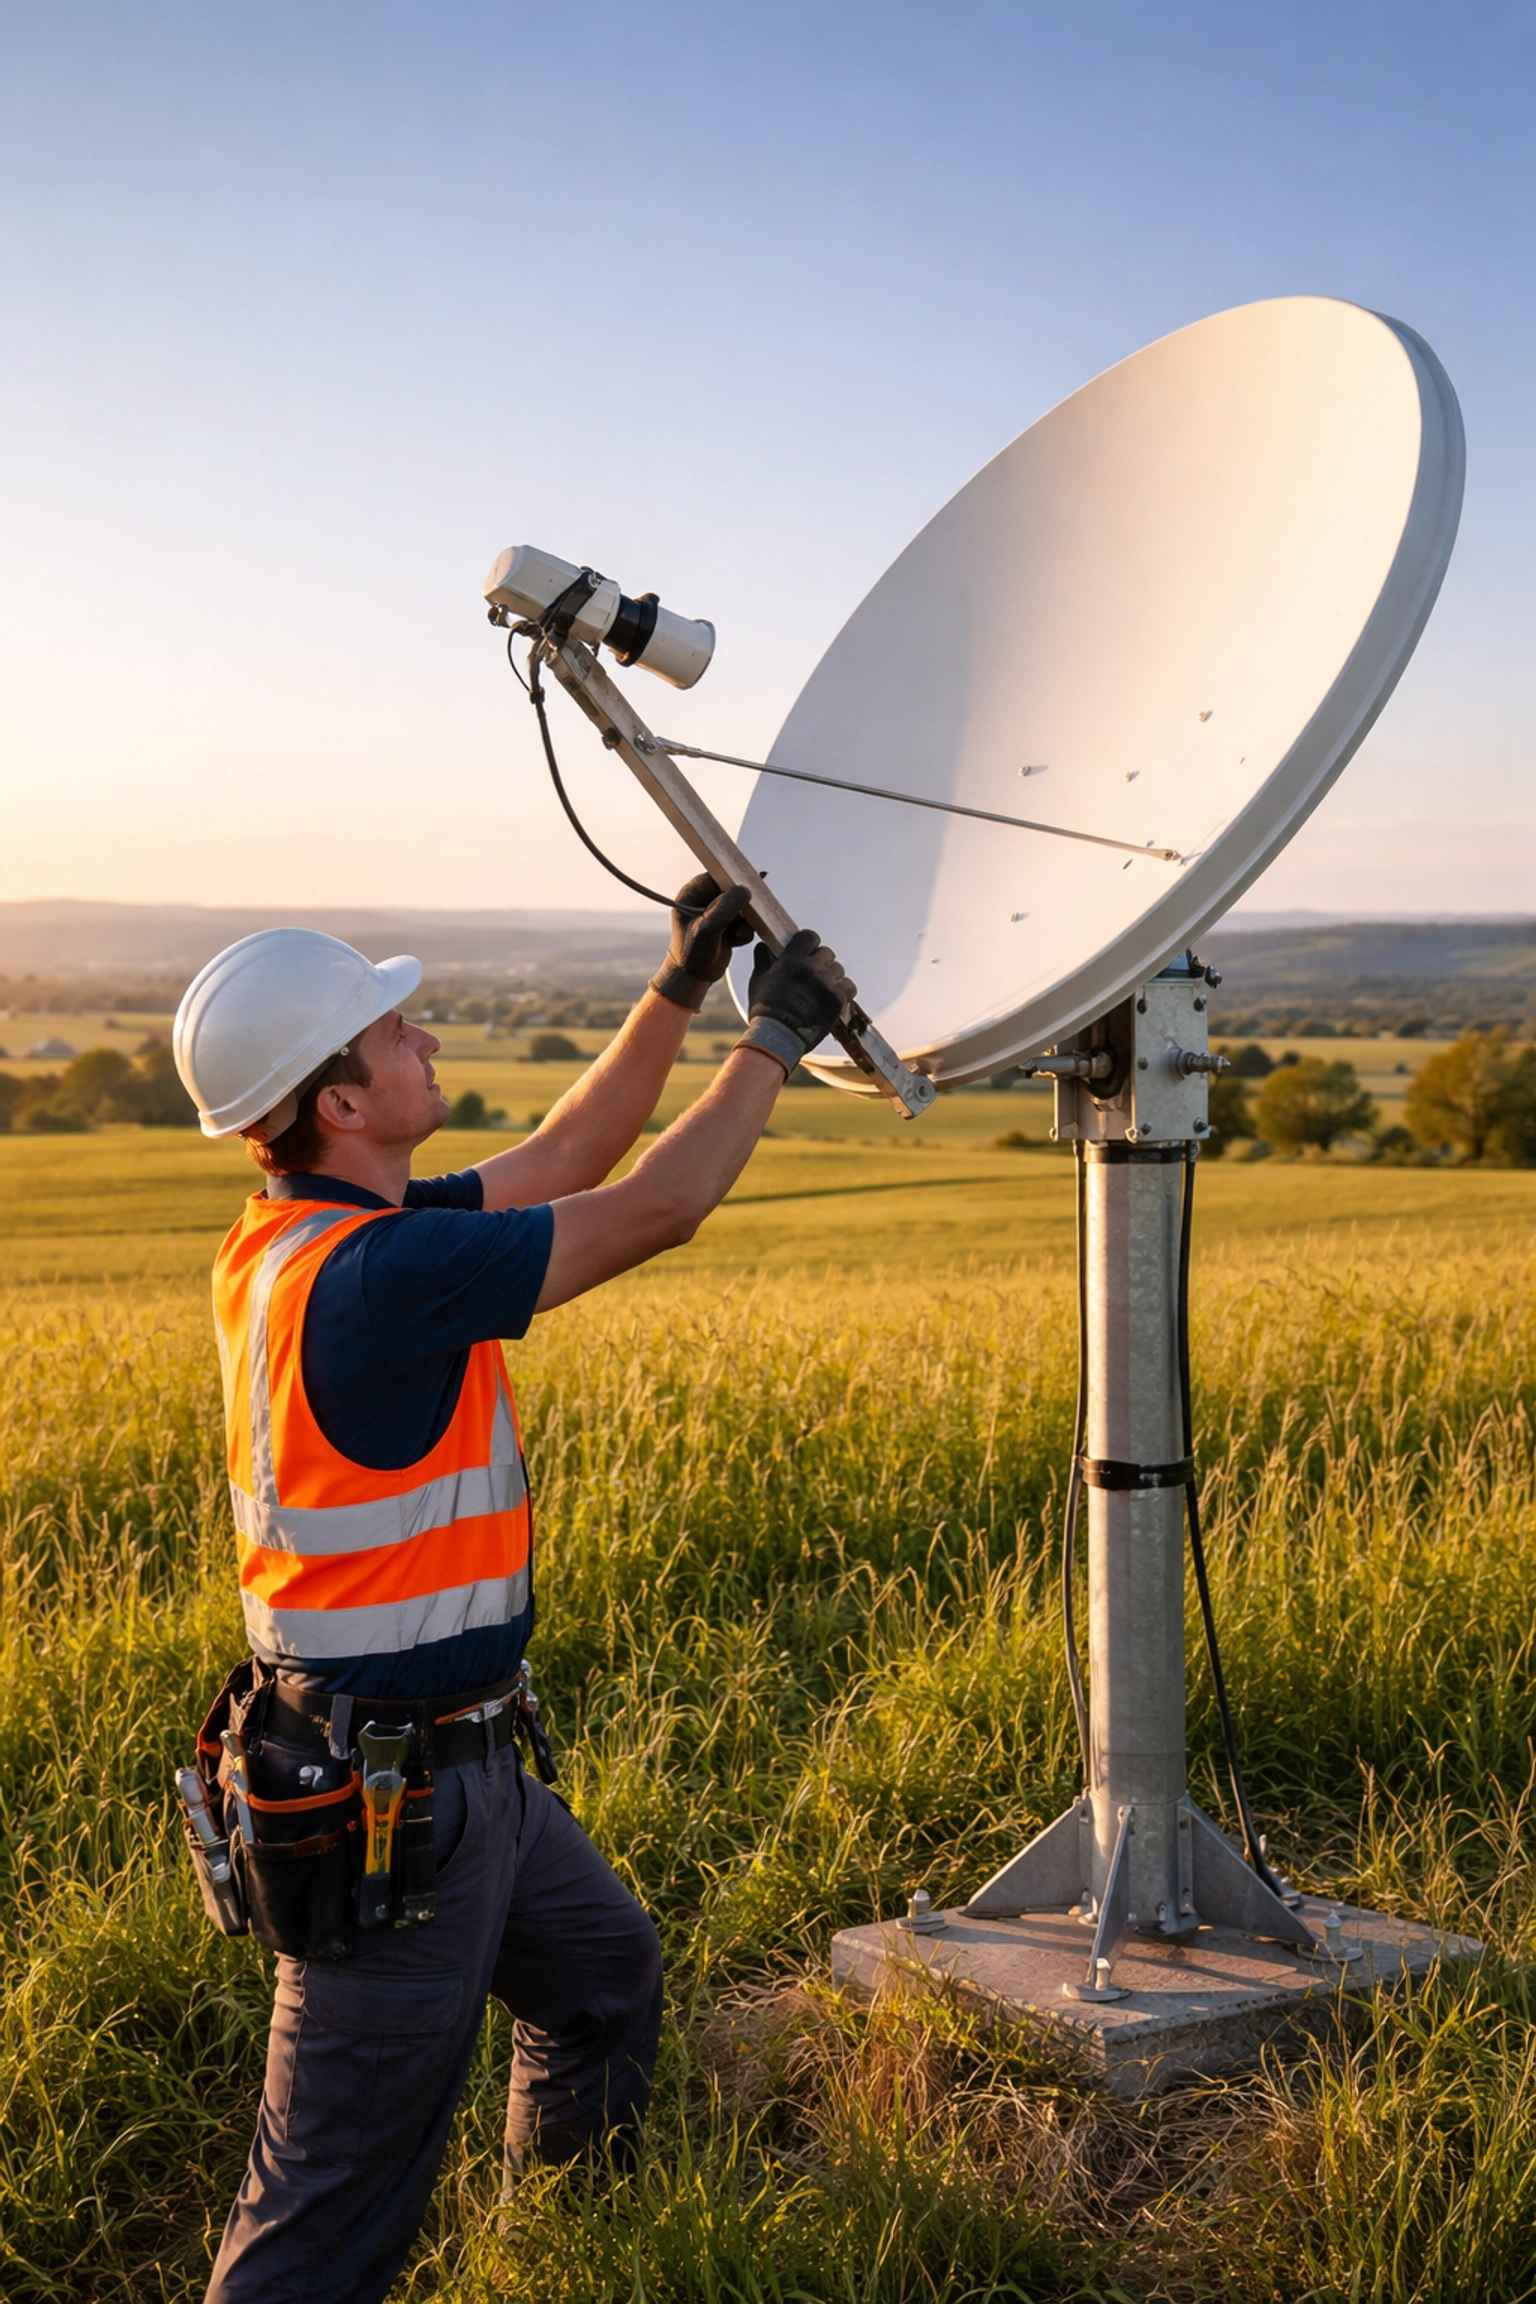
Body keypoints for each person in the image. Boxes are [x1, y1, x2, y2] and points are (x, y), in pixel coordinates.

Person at [171, 879, 853, 2304]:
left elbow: (564, 1154)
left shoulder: (311, 1236)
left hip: (453, 1764)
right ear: (340, 1103)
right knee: (327, 2206)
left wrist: (676, 989)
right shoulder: (381, 1274)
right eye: (393, 1030)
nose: (425, 1038)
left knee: (601, 1978)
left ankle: (567, 2246)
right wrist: (775, 1041)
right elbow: (659, 1204)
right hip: (390, 1802)